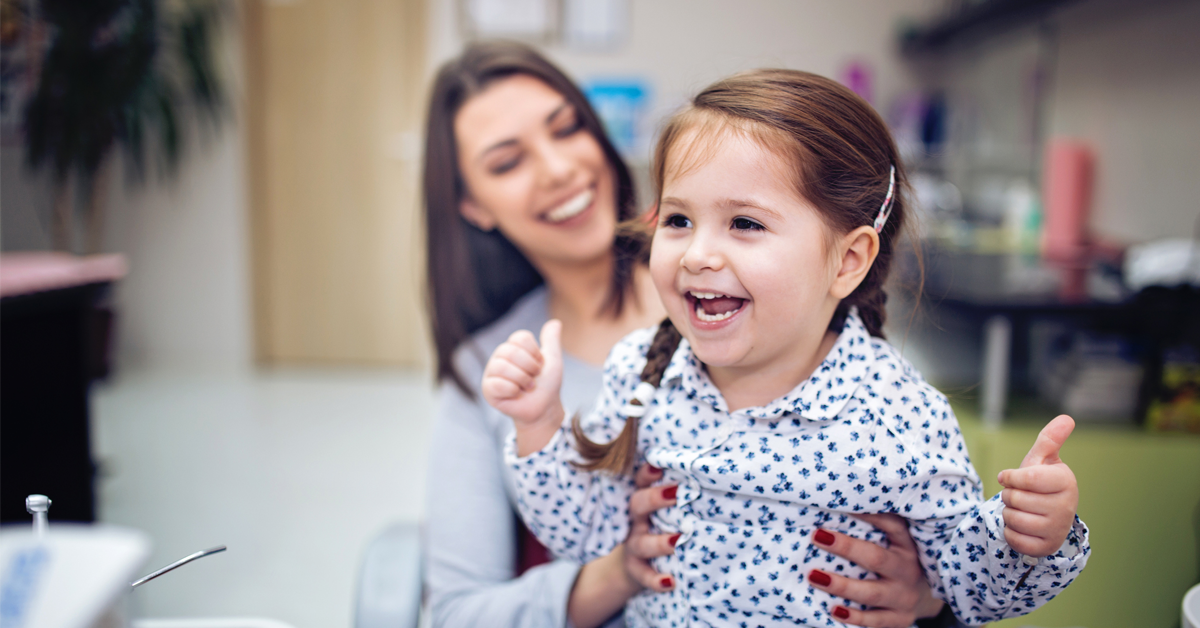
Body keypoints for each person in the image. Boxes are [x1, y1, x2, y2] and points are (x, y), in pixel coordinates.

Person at [483, 69, 1091, 627]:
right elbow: (586, 536)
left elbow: (970, 589)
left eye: (745, 223)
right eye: (678, 220)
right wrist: (539, 422)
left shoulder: (897, 413)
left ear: (848, 260)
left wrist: (1027, 534)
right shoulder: (643, 373)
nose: (697, 255)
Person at [423, 41, 958, 628]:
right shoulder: (491, 369)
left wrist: (929, 594)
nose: (557, 169)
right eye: (507, 162)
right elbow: (458, 612)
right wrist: (619, 572)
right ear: (472, 204)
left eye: (566, 127)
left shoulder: (800, 320)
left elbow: (944, 534)